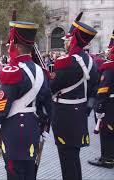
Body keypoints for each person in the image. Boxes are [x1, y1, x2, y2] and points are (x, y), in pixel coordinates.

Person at [0, 15, 52, 179]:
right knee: (29, 174)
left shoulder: (13, 71)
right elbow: (47, 106)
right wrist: (43, 128)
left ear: (14, 45)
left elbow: (0, 110)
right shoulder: (41, 71)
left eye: (10, 43)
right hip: (33, 129)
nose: (8, 47)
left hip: (15, 133)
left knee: (15, 174)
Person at [50, 12, 99, 180]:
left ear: (74, 40)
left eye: (67, 39)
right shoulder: (91, 61)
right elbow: (94, 91)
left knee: (67, 160)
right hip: (79, 116)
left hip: (64, 117)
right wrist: (85, 110)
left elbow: (52, 87)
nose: (66, 43)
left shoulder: (67, 62)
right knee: (74, 159)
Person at [88, 30, 114, 169]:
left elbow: (103, 89)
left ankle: (107, 159)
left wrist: (99, 107)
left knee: (107, 133)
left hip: (108, 106)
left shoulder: (110, 68)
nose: (107, 51)